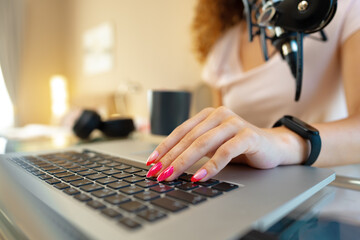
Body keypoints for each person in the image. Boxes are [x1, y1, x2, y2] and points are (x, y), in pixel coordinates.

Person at [146, 0, 360, 183]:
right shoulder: (223, 47)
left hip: (328, 202)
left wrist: (279, 142)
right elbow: (224, 137)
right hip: (244, 197)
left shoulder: (348, 9)